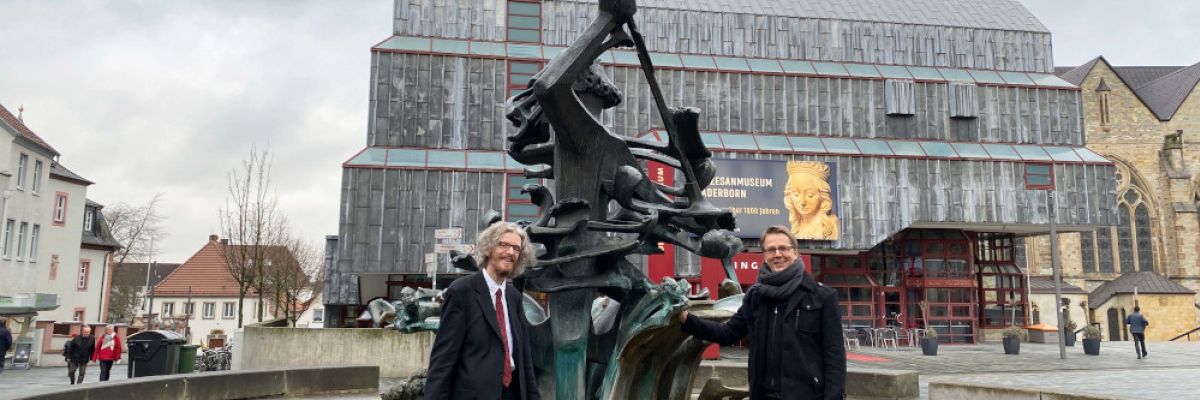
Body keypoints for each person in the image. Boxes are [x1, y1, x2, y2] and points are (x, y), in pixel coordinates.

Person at [678, 226, 846, 399]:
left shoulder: (822, 297)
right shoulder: (756, 296)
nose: (778, 254)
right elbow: (727, 333)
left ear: (795, 253)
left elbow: (835, 358)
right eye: (771, 250)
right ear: (765, 256)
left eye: (783, 248)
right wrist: (687, 320)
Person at [425, 222, 540, 400]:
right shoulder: (462, 291)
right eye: (504, 245)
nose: (511, 252)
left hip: (513, 393)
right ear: (488, 248)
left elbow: (525, 358)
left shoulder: (514, 297)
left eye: (516, 248)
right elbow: (443, 360)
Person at [784, 161, 839, 241]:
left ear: (822, 195)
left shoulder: (834, 227)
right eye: (796, 194)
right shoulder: (795, 227)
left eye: (810, 195)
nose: (803, 202)